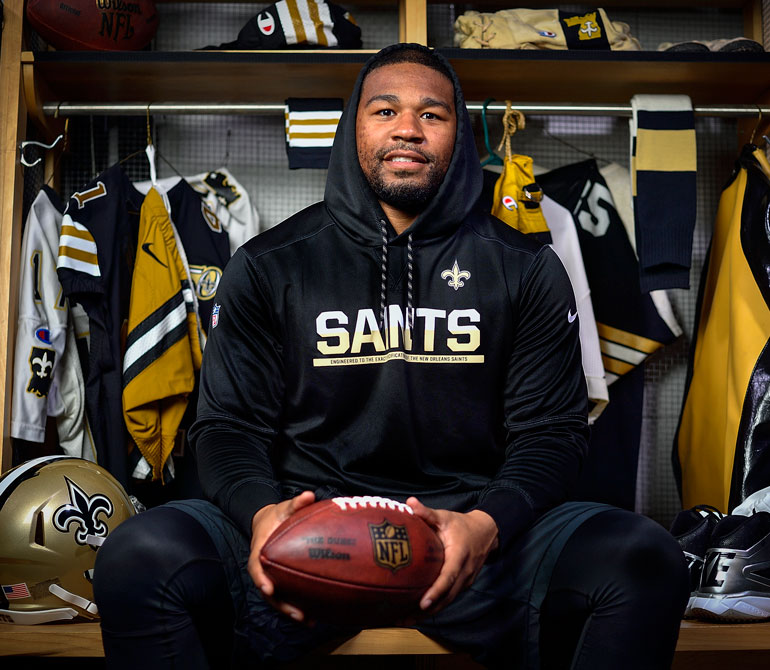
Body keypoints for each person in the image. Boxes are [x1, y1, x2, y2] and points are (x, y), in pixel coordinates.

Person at [93, 43, 689, 669]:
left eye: (433, 114)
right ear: (354, 128)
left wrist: (487, 526)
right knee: (139, 554)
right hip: (309, 542)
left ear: (460, 135)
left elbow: (552, 434)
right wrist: (264, 514)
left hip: (472, 546)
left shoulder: (528, 266)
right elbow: (227, 429)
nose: (408, 127)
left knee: (644, 558)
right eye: (385, 111)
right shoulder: (271, 264)